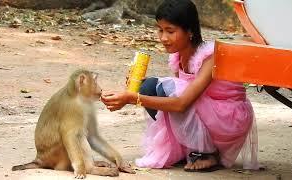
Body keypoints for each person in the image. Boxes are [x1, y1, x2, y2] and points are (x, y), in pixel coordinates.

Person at [101, 0, 259, 172]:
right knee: (147, 87)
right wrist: (137, 88)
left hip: (227, 117)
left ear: (190, 31)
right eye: (160, 30)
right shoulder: (179, 56)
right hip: (206, 111)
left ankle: (208, 153)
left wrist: (132, 98)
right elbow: (178, 93)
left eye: (170, 31)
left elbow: (181, 103)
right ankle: (189, 149)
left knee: (166, 90)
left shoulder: (210, 57)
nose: (163, 38)